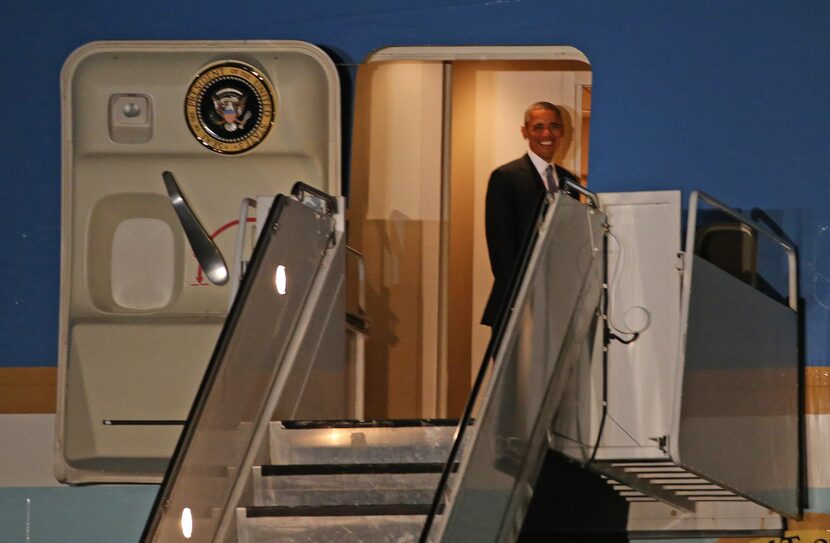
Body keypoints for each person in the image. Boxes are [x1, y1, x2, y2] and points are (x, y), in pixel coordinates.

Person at [481, 101, 581, 326]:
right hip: (517, 303)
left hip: (558, 304)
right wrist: (524, 298)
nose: (547, 133)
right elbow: (501, 250)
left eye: (554, 126)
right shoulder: (505, 177)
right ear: (525, 132)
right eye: (538, 127)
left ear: (562, 132)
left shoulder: (571, 182)